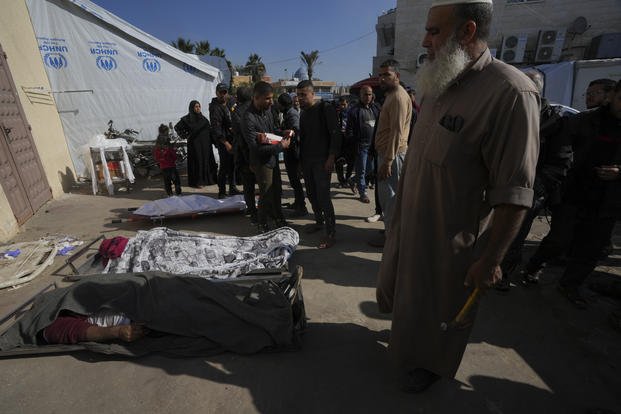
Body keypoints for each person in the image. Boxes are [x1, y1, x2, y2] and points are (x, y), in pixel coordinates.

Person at [376, 0, 539, 393]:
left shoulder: (511, 93)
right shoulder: (436, 83)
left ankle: (428, 365)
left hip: (449, 239)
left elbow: (514, 194)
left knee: (439, 309)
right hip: (410, 220)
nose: (425, 39)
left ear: (466, 31)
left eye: (434, 31)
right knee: (404, 296)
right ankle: (407, 345)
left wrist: (491, 259)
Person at [533, 81, 621, 308]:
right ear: (613, 96)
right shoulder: (584, 121)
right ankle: (533, 266)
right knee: (559, 239)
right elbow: (560, 148)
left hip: (608, 200)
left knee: (592, 247)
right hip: (574, 192)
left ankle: (570, 284)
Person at [495, 68, 573, 291]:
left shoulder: (555, 121)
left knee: (514, 235)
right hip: (499, 185)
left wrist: (532, 190)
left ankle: (503, 274)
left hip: (528, 191)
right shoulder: (508, 113)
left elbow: (559, 164)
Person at [296, 80, 342, 249]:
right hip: (307, 161)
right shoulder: (304, 113)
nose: (300, 98)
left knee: (323, 196)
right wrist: (300, 162)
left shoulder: (325, 109)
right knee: (311, 194)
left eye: (303, 95)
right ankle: (318, 221)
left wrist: (331, 157)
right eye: (298, 95)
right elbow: (304, 140)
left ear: (312, 94)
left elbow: (335, 134)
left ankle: (330, 233)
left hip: (322, 161)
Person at [242, 81, 292, 233]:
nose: (272, 102)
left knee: (276, 190)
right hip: (261, 161)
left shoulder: (268, 111)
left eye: (272, 98)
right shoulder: (248, 118)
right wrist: (280, 147)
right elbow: (255, 148)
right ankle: (262, 222)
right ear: (256, 98)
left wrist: (283, 132)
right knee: (266, 193)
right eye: (268, 99)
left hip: (272, 158)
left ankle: (278, 217)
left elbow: (272, 130)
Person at [374, 59, 412, 235]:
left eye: (386, 75)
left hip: (393, 157)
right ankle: (393, 236)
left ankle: (392, 241)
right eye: (380, 75)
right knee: (389, 200)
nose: (382, 78)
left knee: (390, 201)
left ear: (397, 76)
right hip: (389, 155)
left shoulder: (397, 97)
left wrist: (388, 161)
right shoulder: (391, 95)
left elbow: (396, 132)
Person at [346, 85, 381, 203]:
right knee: (361, 171)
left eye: (370, 94)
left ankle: (352, 180)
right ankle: (363, 193)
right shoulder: (354, 110)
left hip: (373, 146)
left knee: (369, 170)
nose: (367, 97)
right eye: (365, 94)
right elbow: (349, 130)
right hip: (361, 146)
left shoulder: (376, 109)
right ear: (360, 95)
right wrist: (353, 143)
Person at [174, 100, 217, 188]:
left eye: (199, 106)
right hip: (195, 145)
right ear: (192, 108)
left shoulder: (203, 118)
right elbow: (177, 127)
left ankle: (208, 180)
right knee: (197, 162)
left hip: (205, 144)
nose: (198, 108)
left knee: (206, 160)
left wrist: (214, 141)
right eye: (196, 107)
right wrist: (185, 135)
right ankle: (198, 182)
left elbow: (209, 129)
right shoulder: (187, 119)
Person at [278, 93, 308, 216]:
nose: (277, 106)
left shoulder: (291, 114)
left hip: (294, 152)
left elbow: (296, 129)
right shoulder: (287, 113)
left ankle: (302, 207)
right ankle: (297, 202)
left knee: (295, 181)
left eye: (279, 103)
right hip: (289, 151)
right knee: (293, 180)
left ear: (283, 104)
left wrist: (287, 134)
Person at [231, 86, 258, 224]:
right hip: (259, 152)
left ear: (239, 97)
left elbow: (238, 134)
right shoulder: (257, 107)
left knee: (248, 186)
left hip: (244, 153)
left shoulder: (237, 112)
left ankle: (253, 211)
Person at [210, 83, 241, 199]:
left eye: (224, 92)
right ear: (216, 93)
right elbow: (216, 129)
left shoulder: (229, 104)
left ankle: (232, 188)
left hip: (232, 139)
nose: (223, 95)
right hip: (223, 141)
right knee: (224, 167)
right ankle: (221, 191)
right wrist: (226, 143)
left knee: (232, 165)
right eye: (220, 92)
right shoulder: (215, 108)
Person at [153, 124, 182, 197]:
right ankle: (178, 194)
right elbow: (172, 153)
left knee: (167, 181)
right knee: (176, 180)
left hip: (163, 166)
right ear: (166, 131)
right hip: (171, 165)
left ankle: (170, 194)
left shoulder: (157, 143)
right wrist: (176, 156)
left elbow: (156, 156)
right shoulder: (167, 141)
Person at [335, 97, 355, 192]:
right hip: (339, 140)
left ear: (348, 104)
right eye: (340, 105)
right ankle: (341, 180)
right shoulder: (336, 113)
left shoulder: (352, 113)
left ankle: (348, 179)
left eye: (344, 104)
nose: (342, 106)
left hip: (350, 140)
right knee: (338, 162)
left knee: (350, 162)